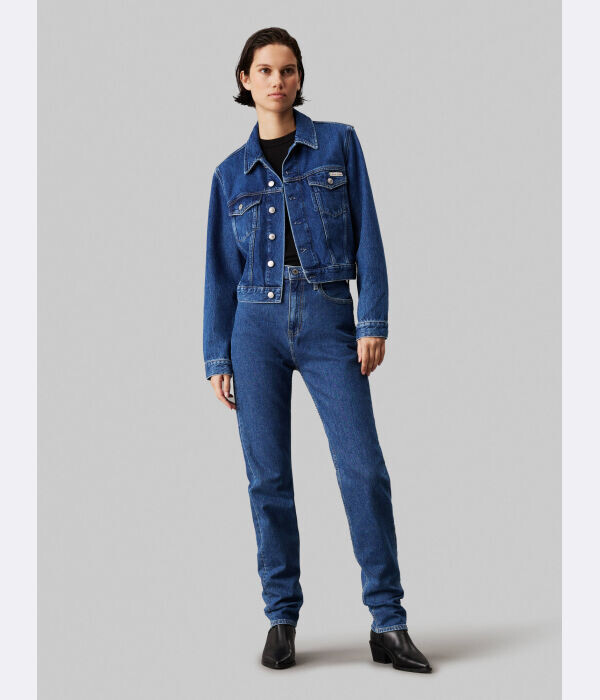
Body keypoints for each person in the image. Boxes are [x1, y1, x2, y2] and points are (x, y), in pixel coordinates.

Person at [203, 26, 432, 673]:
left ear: (299, 78)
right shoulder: (229, 175)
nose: (277, 80)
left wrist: (372, 318)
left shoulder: (338, 143)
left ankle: (387, 622)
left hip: (329, 313)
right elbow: (219, 273)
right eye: (265, 70)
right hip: (254, 325)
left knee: (363, 469)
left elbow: (369, 235)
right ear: (245, 80)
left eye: (288, 70)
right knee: (267, 478)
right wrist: (217, 356)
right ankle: (281, 618)